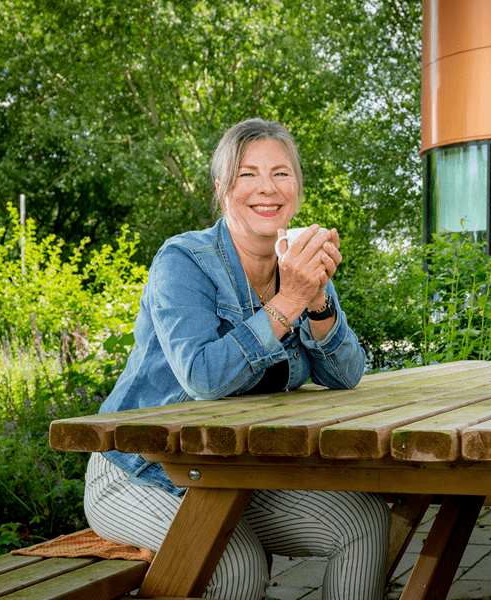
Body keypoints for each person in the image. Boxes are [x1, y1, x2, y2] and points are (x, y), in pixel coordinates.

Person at [81, 118, 389, 600]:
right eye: (248, 174)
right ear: (224, 190)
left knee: (364, 521)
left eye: (281, 174)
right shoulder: (183, 261)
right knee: (236, 563)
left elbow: (346, 374)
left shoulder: (296, 262)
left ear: (298, 191)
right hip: (139, 470)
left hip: (236, 471)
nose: (267, 187)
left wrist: (317, 300)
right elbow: (204, 376)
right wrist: (287, 303)